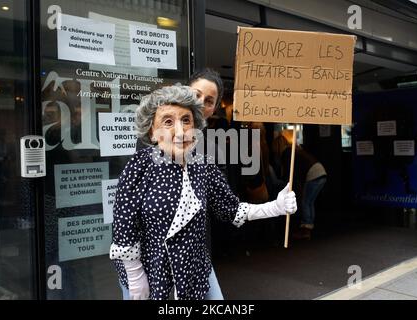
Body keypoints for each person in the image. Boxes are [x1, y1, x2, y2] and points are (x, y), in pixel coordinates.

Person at [109, 85, 297, 300]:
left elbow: (231, 209)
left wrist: (275, 207)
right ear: (152, 132)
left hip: (195, 271)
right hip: (150, 275)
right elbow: (124, 226)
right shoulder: (139, 167)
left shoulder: (203, 165)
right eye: (168, 122)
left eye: (186, 120)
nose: (180, 132)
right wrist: (135, 277)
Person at [188, 68, 226, 299]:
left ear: (214, 109)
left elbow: (225, 204)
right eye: (196, 94)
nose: (202, 103)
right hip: (152, 257)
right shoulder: (152, 137)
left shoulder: (212, 149)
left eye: (209, 101)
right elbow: (129, 206)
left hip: (196, 253)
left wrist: (275, 207)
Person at [272, 133, 326, 240]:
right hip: (320, 172)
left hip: (312, 174)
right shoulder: (293, 150)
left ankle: (306, 229)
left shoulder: (286, 153)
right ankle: (309, 226)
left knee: (306, 202)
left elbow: (289, 174)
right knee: (309, 202)